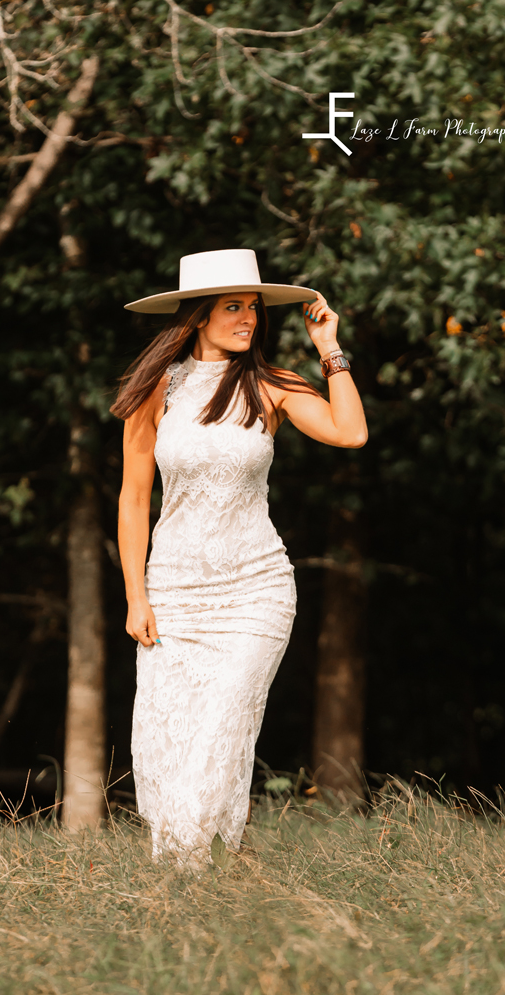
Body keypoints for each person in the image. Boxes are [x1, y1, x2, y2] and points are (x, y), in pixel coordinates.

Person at [111, 248, 367, 865]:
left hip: (256, 590)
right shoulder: (157, 392)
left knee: (222, 728)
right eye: (233, 307)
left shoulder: (272, 384)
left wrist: (329, 348)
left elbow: (349, 432)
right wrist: (135, 596)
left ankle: (194, 868)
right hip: (174, 593)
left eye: (253, 308)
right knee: (169, 739)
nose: (248, 319)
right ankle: (191, 876)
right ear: (198, 315)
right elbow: (133, 497)